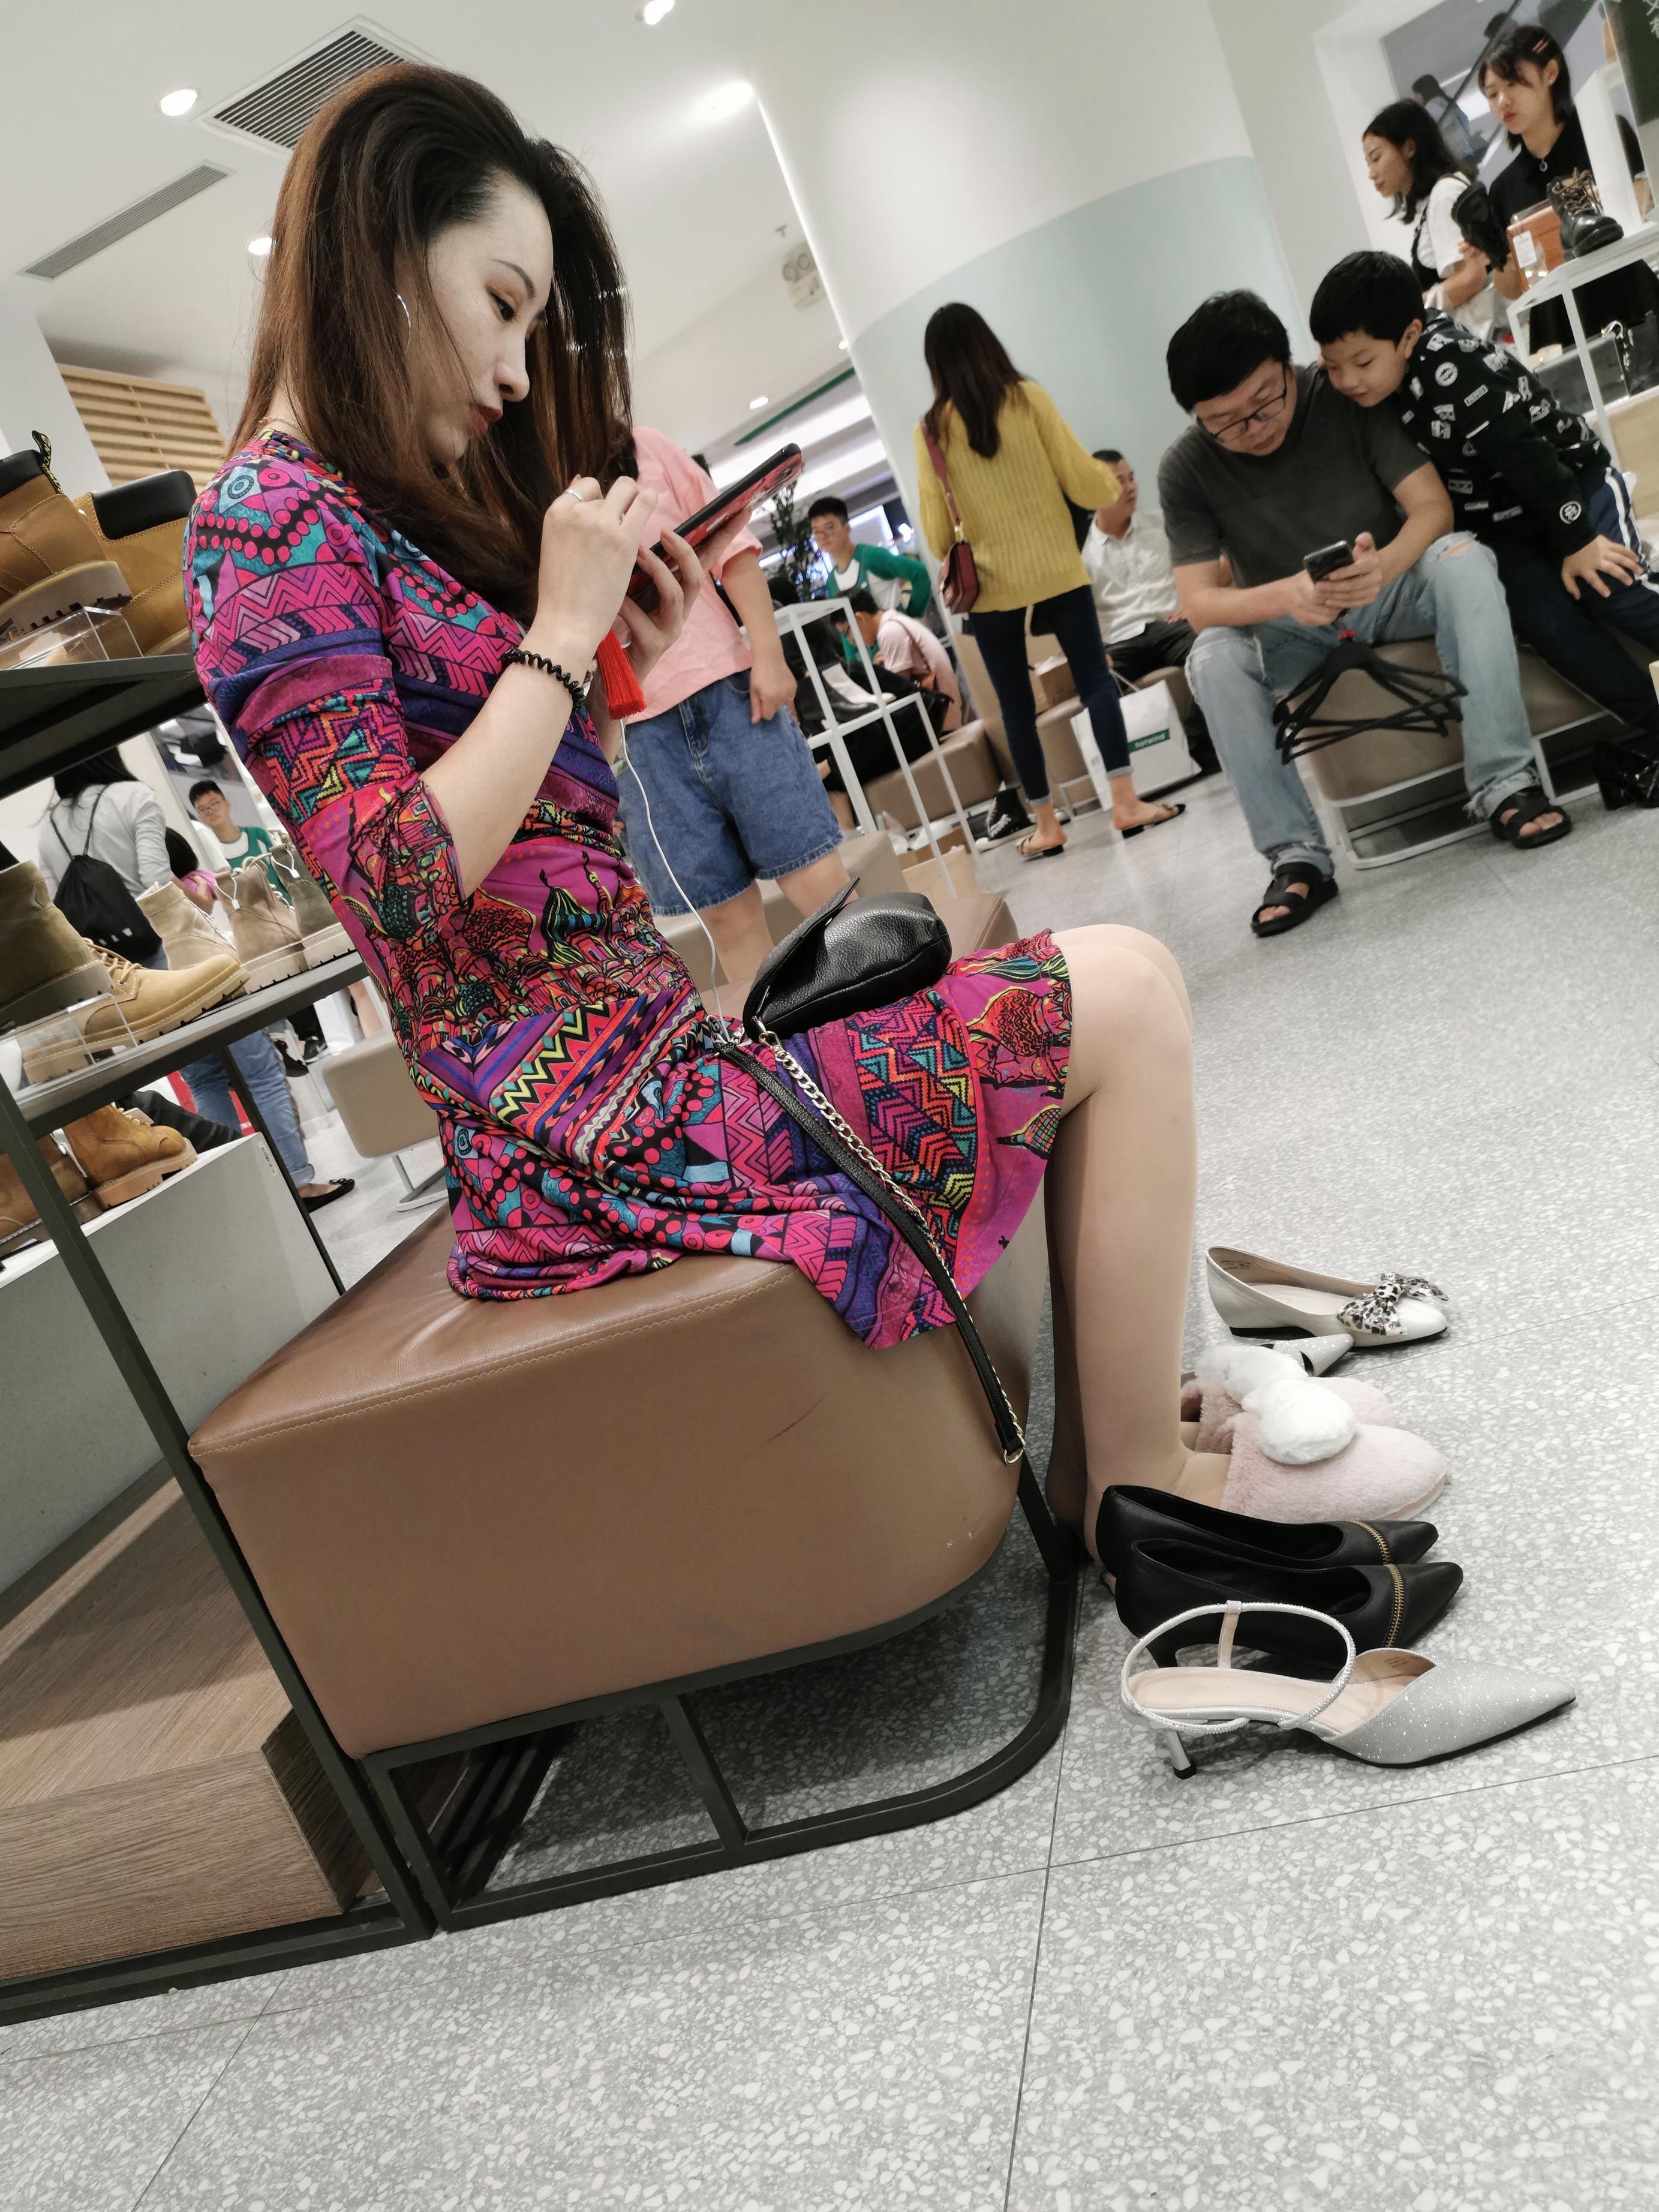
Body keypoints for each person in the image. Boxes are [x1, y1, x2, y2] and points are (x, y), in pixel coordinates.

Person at [188, 61, 1237, 1556]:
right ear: (384, 252)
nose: (514, 371)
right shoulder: (263, 520)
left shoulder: (351, 516)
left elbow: (525, 860)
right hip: (584, 1145)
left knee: (1089, 982)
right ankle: (1139, 1501)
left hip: (629, 1082)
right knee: (1120, 991)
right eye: (501, 304)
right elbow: (397, 894)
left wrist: (603, 678)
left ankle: (1123, 1469)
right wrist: (560, 632)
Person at [1161, 289, 1569, 938]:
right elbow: (1199, 603)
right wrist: (1288, 596)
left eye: (1265, 401)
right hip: (1289, 623)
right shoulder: (1186, 467)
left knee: (1463, 560)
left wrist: (1388, 563)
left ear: (1288, 366)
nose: (1254, 427)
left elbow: (1433, 507)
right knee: (1211, 658)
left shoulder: (1340, 398)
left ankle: (1504, 783)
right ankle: (1296, 856)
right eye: (1226, 423)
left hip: (1391, 585)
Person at [1312, 249, 1659, 758]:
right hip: (1498, 525)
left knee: (1612, 586)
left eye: (1362, 363)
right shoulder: (1364, 391)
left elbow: (1528, 456)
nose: (1347, 380)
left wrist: (1578, 539)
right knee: (1545, 623)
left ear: (1409, 336)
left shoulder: (1448, 364)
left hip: (1569, 480)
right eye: (1332, 365)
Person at [913, 303, 1180, 857]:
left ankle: (1046, 825)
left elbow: (939, 534)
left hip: (991, 590)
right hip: (1059, 569)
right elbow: (1084, 480)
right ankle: (1126, 803)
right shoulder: (1027, 399)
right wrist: (1108, 488)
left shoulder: (931, 431)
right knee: (1096, 683)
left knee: (1016, 707)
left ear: (935, 364)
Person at [36, 755, 350, 1208]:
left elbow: (57, 913)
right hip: (174, 954)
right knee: (259, 1068)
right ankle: (298, 1183)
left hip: (122, 978)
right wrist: (200, 906)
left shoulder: (50, 829)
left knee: (204, 1080)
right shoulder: (132, 796)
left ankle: (249, 1196)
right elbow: (155, 881)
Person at [615, 426, 849, 984]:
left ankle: (899, 1016)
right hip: (636, 737)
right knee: (726, 919)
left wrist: (768, 652)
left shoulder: (645, 447)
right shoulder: (525, 490)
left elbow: (733, 547)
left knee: (818, 880)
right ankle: (783, 1039)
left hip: (732, 693)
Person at [1481, 22, 1655, 352]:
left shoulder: (1606, 134)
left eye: (1513, 83)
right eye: (1492, 94)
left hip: (1629, 301)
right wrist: (1489, 249)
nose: (1503, 101)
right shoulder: (1503, 189)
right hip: (1559, 331)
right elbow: (1513, 289)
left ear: (1550, 73)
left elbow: (1639, 210)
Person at [1080, 449, 1218, 774]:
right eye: (1119, 482)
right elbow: (1081, 619)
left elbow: (1212, 563)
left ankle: (1196, 743)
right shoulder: (1082, 556)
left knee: (1215, 646)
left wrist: (1192, 600)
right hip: (1121, 640)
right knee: (1094, 685)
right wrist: (1094, 653)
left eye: (1131, 478)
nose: (1131, 488)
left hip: (1171, 624)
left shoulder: (1163, 525)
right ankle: (1131, 776)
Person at [1361, 100, 1493, 340]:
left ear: (1409, 148)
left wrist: (1410, 311)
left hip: (1486, 338)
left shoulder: (1444, 195)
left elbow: (1472, 277)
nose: (1371, 173)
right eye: (1368, 163)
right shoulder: (1434, 201)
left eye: (1377, 158)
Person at [838, 588, 963, 729]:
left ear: (859, 618)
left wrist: (880, 673)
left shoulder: (889, 632)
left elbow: (900, 693)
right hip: (944, 713)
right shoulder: (895, 622)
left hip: (941, 721)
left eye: (846, 632)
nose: (850, 641)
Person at [806, 495, 931, 617]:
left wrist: (912, 615)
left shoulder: (871, 557)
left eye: (829, 527)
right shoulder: (832, 582)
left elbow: (919, 572)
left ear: (847, 528)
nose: (822, 536)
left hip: (896, 628)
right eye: (816, 532)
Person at [188, 776, 285, 889]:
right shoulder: (212, 852)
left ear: (227, 804)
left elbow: (284, 870)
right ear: (199, 817)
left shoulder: (258, 835)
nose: (210, 812)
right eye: (203, 809)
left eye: (214, 804)